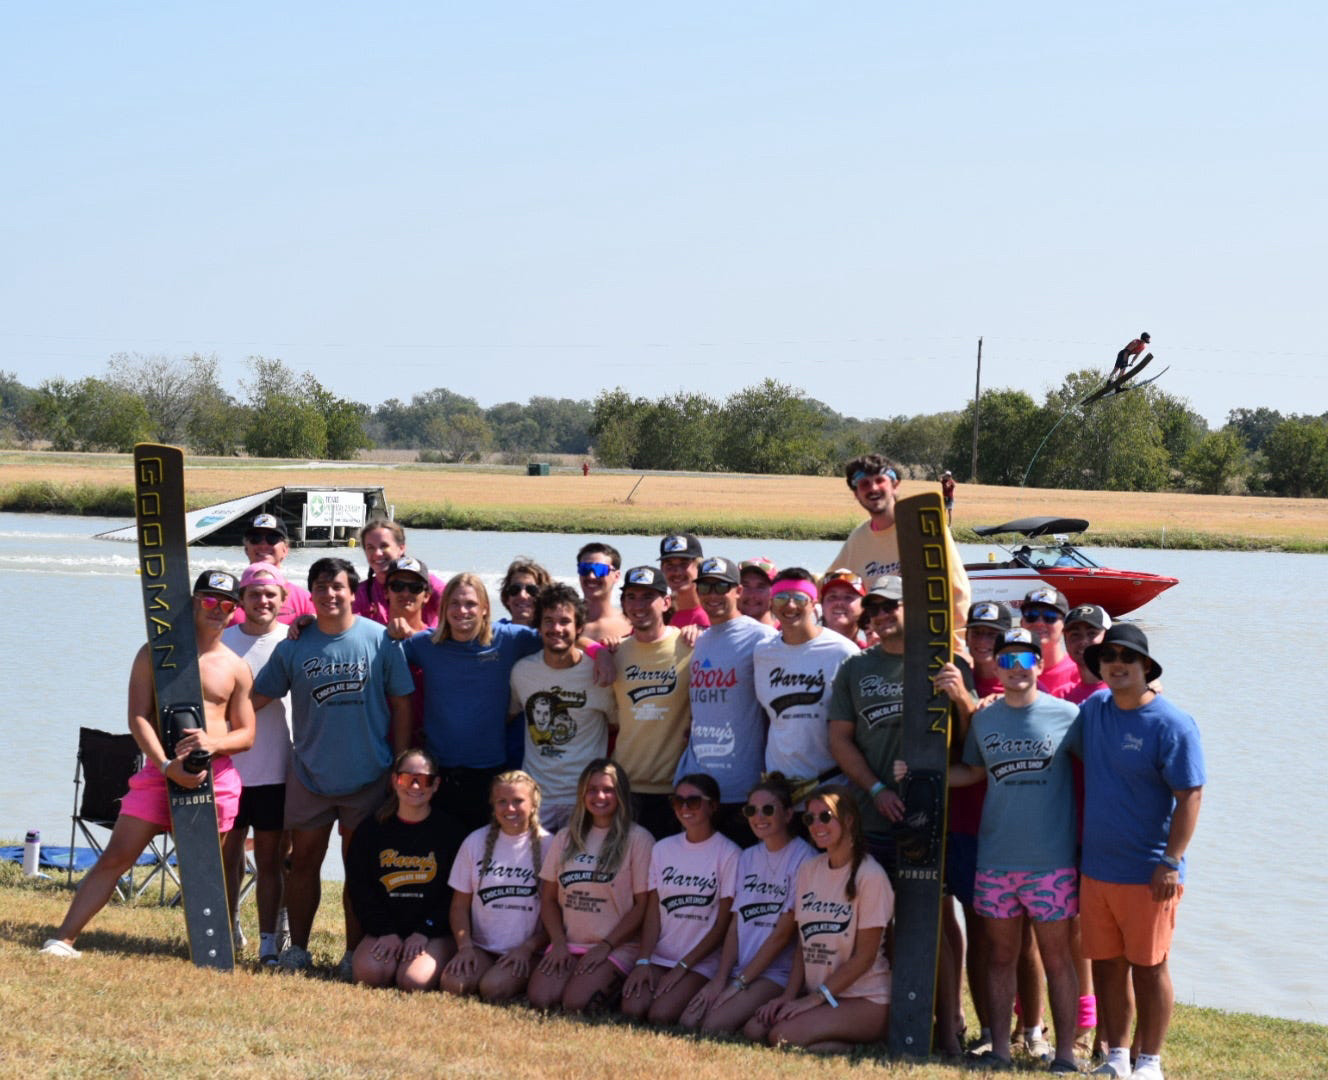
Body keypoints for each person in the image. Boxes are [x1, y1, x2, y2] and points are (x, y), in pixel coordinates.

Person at [42, 571, 256, 957]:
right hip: (159, 775)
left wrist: (213, 742)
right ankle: (64, 938)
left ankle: (212, 949)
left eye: (227, 604)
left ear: (235, 612)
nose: (218, 610)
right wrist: (164, 764)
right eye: (209, 601)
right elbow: (138, 717)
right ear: (193, 602)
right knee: (116, 857)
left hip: (214, 779)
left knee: (205, 871)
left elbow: (247, 734)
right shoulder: (155, 654)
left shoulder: (236, 667)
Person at [904, 627, 1083, 1072]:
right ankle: (999, 1050)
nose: (1016, 669)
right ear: (997, 667)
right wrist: (923, 773)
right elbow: (972, 773)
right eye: (1007, 661)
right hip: (996, 862)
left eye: (1025, 660)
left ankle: (1062, 1054)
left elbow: (1101, 764)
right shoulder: (984, 720)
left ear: (1040, 666)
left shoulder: (1069, 716)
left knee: (1057, 960)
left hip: (1052, 864)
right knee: (1000, 958)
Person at [827, 575, 975, 1055]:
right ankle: (900, 1023)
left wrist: (961, 699)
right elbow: (840, 739)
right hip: (872, 818)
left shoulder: (946, 663)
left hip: (930, 820)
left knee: (931, 926)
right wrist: (873, 788)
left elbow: (973, 747)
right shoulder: (855, 668)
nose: (884, 614)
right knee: (883, 928)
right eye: (876, 608)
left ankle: (950, 1029)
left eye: (893, 605)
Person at [250, 557, 415, 974]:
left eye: (337, 586)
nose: (329, 595)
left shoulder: (380, 639)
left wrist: (399, 763)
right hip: (309, 774)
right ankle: (298, 949)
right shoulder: (294, 645)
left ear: (352, 591)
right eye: (320, 587)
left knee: (358, 867)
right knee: (303, 861)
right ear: (311, 593)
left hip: (369, 774)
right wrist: (211, 721)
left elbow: (402, 704)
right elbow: (255, 697)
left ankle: (351, 953)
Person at [1072, 626, 1204, 1080]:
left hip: (1150, 871)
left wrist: (1170, 862)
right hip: (1097, 869)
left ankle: (1150, 1063)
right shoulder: (1093, 709)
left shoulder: (1173, 723)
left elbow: (1191, 796)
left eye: (1127, 656)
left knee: (1150, 968)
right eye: (1109, 656)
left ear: (1147, 667)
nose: (1117, 663)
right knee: (1108, 966)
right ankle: (1117, 1057)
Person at [744, 786, 893, 1050]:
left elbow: (865, 957)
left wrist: (812, 1000)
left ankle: (860, 1046)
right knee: (754, 1029)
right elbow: (804, 943)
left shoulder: (871, 876)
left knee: (782, 1037)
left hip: (865, 999)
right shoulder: (809, 870)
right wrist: (789, 997)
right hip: (824, 997)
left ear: (848, 820)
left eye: (825, 816)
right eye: (809, 819)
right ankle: (827, 1041)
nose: (816, 825)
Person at [402, 573, 542, 833]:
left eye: (470, 604)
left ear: (485, 608)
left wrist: (600, 652)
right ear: (444, 608)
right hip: (439, 771)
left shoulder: (509, 639)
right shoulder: (426, 644)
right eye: (454, 603)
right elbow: (379, 652)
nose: (462, 611)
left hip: (490, 771)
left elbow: (561, 635)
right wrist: (310, 623)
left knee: (484, 858)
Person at [680, 773, 815, 1034]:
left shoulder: (804, 859)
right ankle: (752, 1016)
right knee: (688, 1021)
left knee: (713, 1027)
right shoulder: (748, 856)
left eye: (767, 809)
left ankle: (760, 1016)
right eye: (751, 810)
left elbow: (782, 935)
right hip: (742, 969)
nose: (758, 816)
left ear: (788, 815)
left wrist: (739, 984)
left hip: (776, 973)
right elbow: (734, 925)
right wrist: (721, 979)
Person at [528, 759, 655, 1013]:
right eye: (592, 789)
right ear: (582, 794)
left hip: (615, 946)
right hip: (569, 943)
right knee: (541, 999)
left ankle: (615, 984)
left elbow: (643, 906)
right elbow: (549, 899)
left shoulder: (639, 839)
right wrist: (559, 942)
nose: (599, 796)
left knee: (576, 1003)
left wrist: (606, 947)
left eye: (608, 790)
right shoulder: (566, 837)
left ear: (620, 794)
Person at [673, 556, 778, 842]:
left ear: (738, 592)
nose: (712, 595)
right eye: (705, 588)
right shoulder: (701, 640)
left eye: (721, 587)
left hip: (741, 789)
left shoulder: (763, 638)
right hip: (697, 789)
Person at [621, 773, 740, 1025]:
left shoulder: (729, 853)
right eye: (678, 801)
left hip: (700, 962)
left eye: (694, 801)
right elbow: (653, 912)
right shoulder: (662, 848)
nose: (685, 808)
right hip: (661, 956)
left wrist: (683, 966)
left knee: (660, 1015)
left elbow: (723, 925)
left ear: (713, 806)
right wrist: (644, 960)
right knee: (633, 1008)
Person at [345, 749, 467, 991]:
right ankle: (394, 954)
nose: (414, 785)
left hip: (433, 933)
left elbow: (454, 896)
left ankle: (429, 957)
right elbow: (360, 890)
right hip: (387, 928)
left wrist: (425, 931)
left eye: (423, 779)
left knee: (412, 981)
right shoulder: (371, 830)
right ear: (394, 780)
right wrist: (385, 931)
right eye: (406, 778)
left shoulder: (452, 833)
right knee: (370, 974)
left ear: (436, 785)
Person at [220, 563, 294, 965]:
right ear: (241, 601)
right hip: (227, 769)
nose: (262, 602)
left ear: (283, 600)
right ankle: (228, 928)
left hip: (275, 768)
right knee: (228, 857)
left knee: (270, 861)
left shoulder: (294, 639)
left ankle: (270, 942)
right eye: (254, 595)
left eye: (270, 595)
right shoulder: (220, 640)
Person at [827, 453, 970, 642]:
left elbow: (958, 592)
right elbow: (828, 587)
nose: (873, 488)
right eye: (865, 484)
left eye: (880, 480)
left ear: (895, 485)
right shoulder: (858, 539)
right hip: (882, 651)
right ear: (856, 493)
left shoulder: (924, 528)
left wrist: (953, 648)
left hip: (931, 650)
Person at [511, 584, 617, 830]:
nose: (556, 629)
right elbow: (512, 712)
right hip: (536, 797)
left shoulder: (599, 675)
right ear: (539, 626)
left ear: (579, 628)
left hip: (584, 798)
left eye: (564, 621)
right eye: (548, 621)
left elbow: (616, 724)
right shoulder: (522, 671)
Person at [440, 770, 550, 1002]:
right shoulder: (474, 842)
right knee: (452, 984)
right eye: (502, 802)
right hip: (483, 948)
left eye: (518, 801)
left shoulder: (550, 845)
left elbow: (560, 914)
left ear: (533, 804)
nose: (510, 809)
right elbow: (459, 906)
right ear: (493, 805)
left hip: (528, 951)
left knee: (493, 988)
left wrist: (529, 948)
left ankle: (526, 978)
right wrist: (465, 947)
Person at [754, 568, 857, 801]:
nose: (790, 606)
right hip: (779, 792)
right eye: (781, 598)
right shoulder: (762, 652)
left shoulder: (843, 651)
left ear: (814, 603)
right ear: (772, 602)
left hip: (830, 787)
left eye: (799, 598)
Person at [610, 566, 694, 838]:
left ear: (666, 602)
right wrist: (596, 649)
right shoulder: (615, 653)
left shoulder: (690, 645)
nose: (638, 605)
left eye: (648, 596)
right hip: (624, 787)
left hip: (674, 789)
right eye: (631, 596)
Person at [353, 518, 446, 627]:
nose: (377, 553)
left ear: (401, 548)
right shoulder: (360, 594)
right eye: (370, 548)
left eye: (384, 546)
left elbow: (457, 614)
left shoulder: (428, 584)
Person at [230, 513, 315, 626]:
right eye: (256, 538)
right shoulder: (228, 598)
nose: (263, 545)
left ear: (285, 550)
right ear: (246, 549)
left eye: (272, 538)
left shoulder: (305, 600)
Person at [1023, 586, 1079, 698]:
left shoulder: (1080, 673)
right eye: (1031, 615)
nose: (1039, 623)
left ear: (1065, 626)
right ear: (1021, 623)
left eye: (1050, 616)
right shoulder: (1007, 669)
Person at [575, 541, 633, 642]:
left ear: (616, 576)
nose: (591, 576)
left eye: (600, 570)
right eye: (585, 569)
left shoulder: (631, 623)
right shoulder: (564, 621)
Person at [659, 532, 710, 630]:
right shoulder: (658, 612)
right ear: (661, 569)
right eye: (669, 565)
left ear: (699, 567)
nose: (677, 572)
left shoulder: (714, 612)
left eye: (684, 564)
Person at [1064, 604, 1112, 705]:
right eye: (1075, 634)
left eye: (1092, 633)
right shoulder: (1062, 696)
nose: (1083, 641)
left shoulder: (1124, 691)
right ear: (1065, 641)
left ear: (1108, 637)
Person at [497, 558, 552, 627]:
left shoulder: (553, 635)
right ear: (507, 598)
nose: (522, 595)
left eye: (531, 590)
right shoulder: (491, 634)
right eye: (515, 589)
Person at [819, 568, 866, 646]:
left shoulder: (874, 655)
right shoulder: (804, 651)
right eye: (832, 596)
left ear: (863, 606)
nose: (839, 602)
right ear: (822, 604)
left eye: (848, 597)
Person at [738, 557, 779, 627]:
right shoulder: (718, 632)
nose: (752, 595)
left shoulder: (788, 633)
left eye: (761, 587)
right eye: (745, 586)